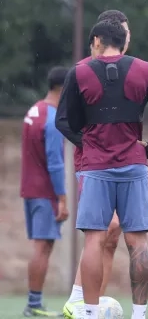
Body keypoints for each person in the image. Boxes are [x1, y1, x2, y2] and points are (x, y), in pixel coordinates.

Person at [57, 19, 148, 319]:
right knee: (138, 242)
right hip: (133, 165)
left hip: (95, 167)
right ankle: (139, 315)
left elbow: (62, 121)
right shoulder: (143, 69)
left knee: (93, 239)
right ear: (124, 41)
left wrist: (87, 143)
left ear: (97, 41)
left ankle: (89, 311)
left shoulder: (79, 72)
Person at [59, 9, 131, 319]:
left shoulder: (130, 70)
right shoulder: (84, 71)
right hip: (95, 163)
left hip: (124, 162)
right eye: (126, 33)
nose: (129, 40)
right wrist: (89, 145)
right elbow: (67, 120)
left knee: (113, 234)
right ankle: (78, 301)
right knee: (104, 228)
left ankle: (92, 300)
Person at [20, 66, 70, 317]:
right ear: (63, 88)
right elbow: (55, 161)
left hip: (29, 189)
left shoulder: (33, 111)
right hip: (44, 192)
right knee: (43, 246)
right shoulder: (52, 118)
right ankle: (34, 304)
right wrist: (62, 198)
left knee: (41, 245)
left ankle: (33, 302)